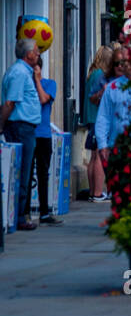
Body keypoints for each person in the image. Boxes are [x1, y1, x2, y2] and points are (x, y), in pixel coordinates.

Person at [0, 35, 43, 230]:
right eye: (36, 51)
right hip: (20, 127)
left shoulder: (25, 71)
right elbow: (10, 102)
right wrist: (1, 125)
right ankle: (18, 217)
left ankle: (20, 214)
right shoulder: (19, 72)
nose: (38, 53)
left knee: (25, 171)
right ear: (28, 55)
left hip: (25, 127)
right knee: (22, 172)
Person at [94, 47, 131, 170]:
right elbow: (103, 117)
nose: (124, 65)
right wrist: (102, 145)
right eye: (122, 61)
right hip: (116, 148)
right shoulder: (112, 87)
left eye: (128, 60)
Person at [32, 57, 62, 226]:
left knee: (43, 174)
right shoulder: (26, 85)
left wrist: (37, 80)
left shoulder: (49, 83)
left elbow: (44, 100)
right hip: (29, 133)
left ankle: (44, 211)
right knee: (27, 173)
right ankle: (25, 213)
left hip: (43, 134)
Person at [83, 47, 114, 202]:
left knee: (93, 156)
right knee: (99, 156)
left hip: (90, 117)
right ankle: (97, 192)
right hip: (97, 117)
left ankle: (92, 191)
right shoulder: (100, 75)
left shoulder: (91, 75)